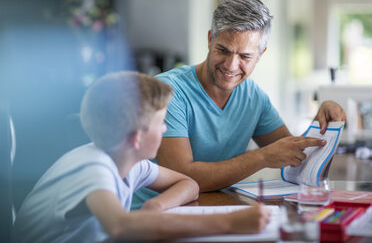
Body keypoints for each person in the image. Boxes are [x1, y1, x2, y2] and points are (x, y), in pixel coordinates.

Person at [132, 0, 346, 208]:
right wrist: (262, 157)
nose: (231, 66)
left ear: (261, 54)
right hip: (149, 218)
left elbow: (297, 160)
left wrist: (321, 127)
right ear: (210, 40)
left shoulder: (253, 97)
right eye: (223, 50)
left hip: (211, 209)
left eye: (244, 56)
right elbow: (181, 177)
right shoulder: (169, 91)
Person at [12, 71, 271, 242]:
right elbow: (120, 226)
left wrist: (154, 207)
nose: (165, 129)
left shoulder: (130, 162)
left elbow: (189, 185)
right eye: (160, 123)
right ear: (136, 138)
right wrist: (229, 222)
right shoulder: (94, 168)